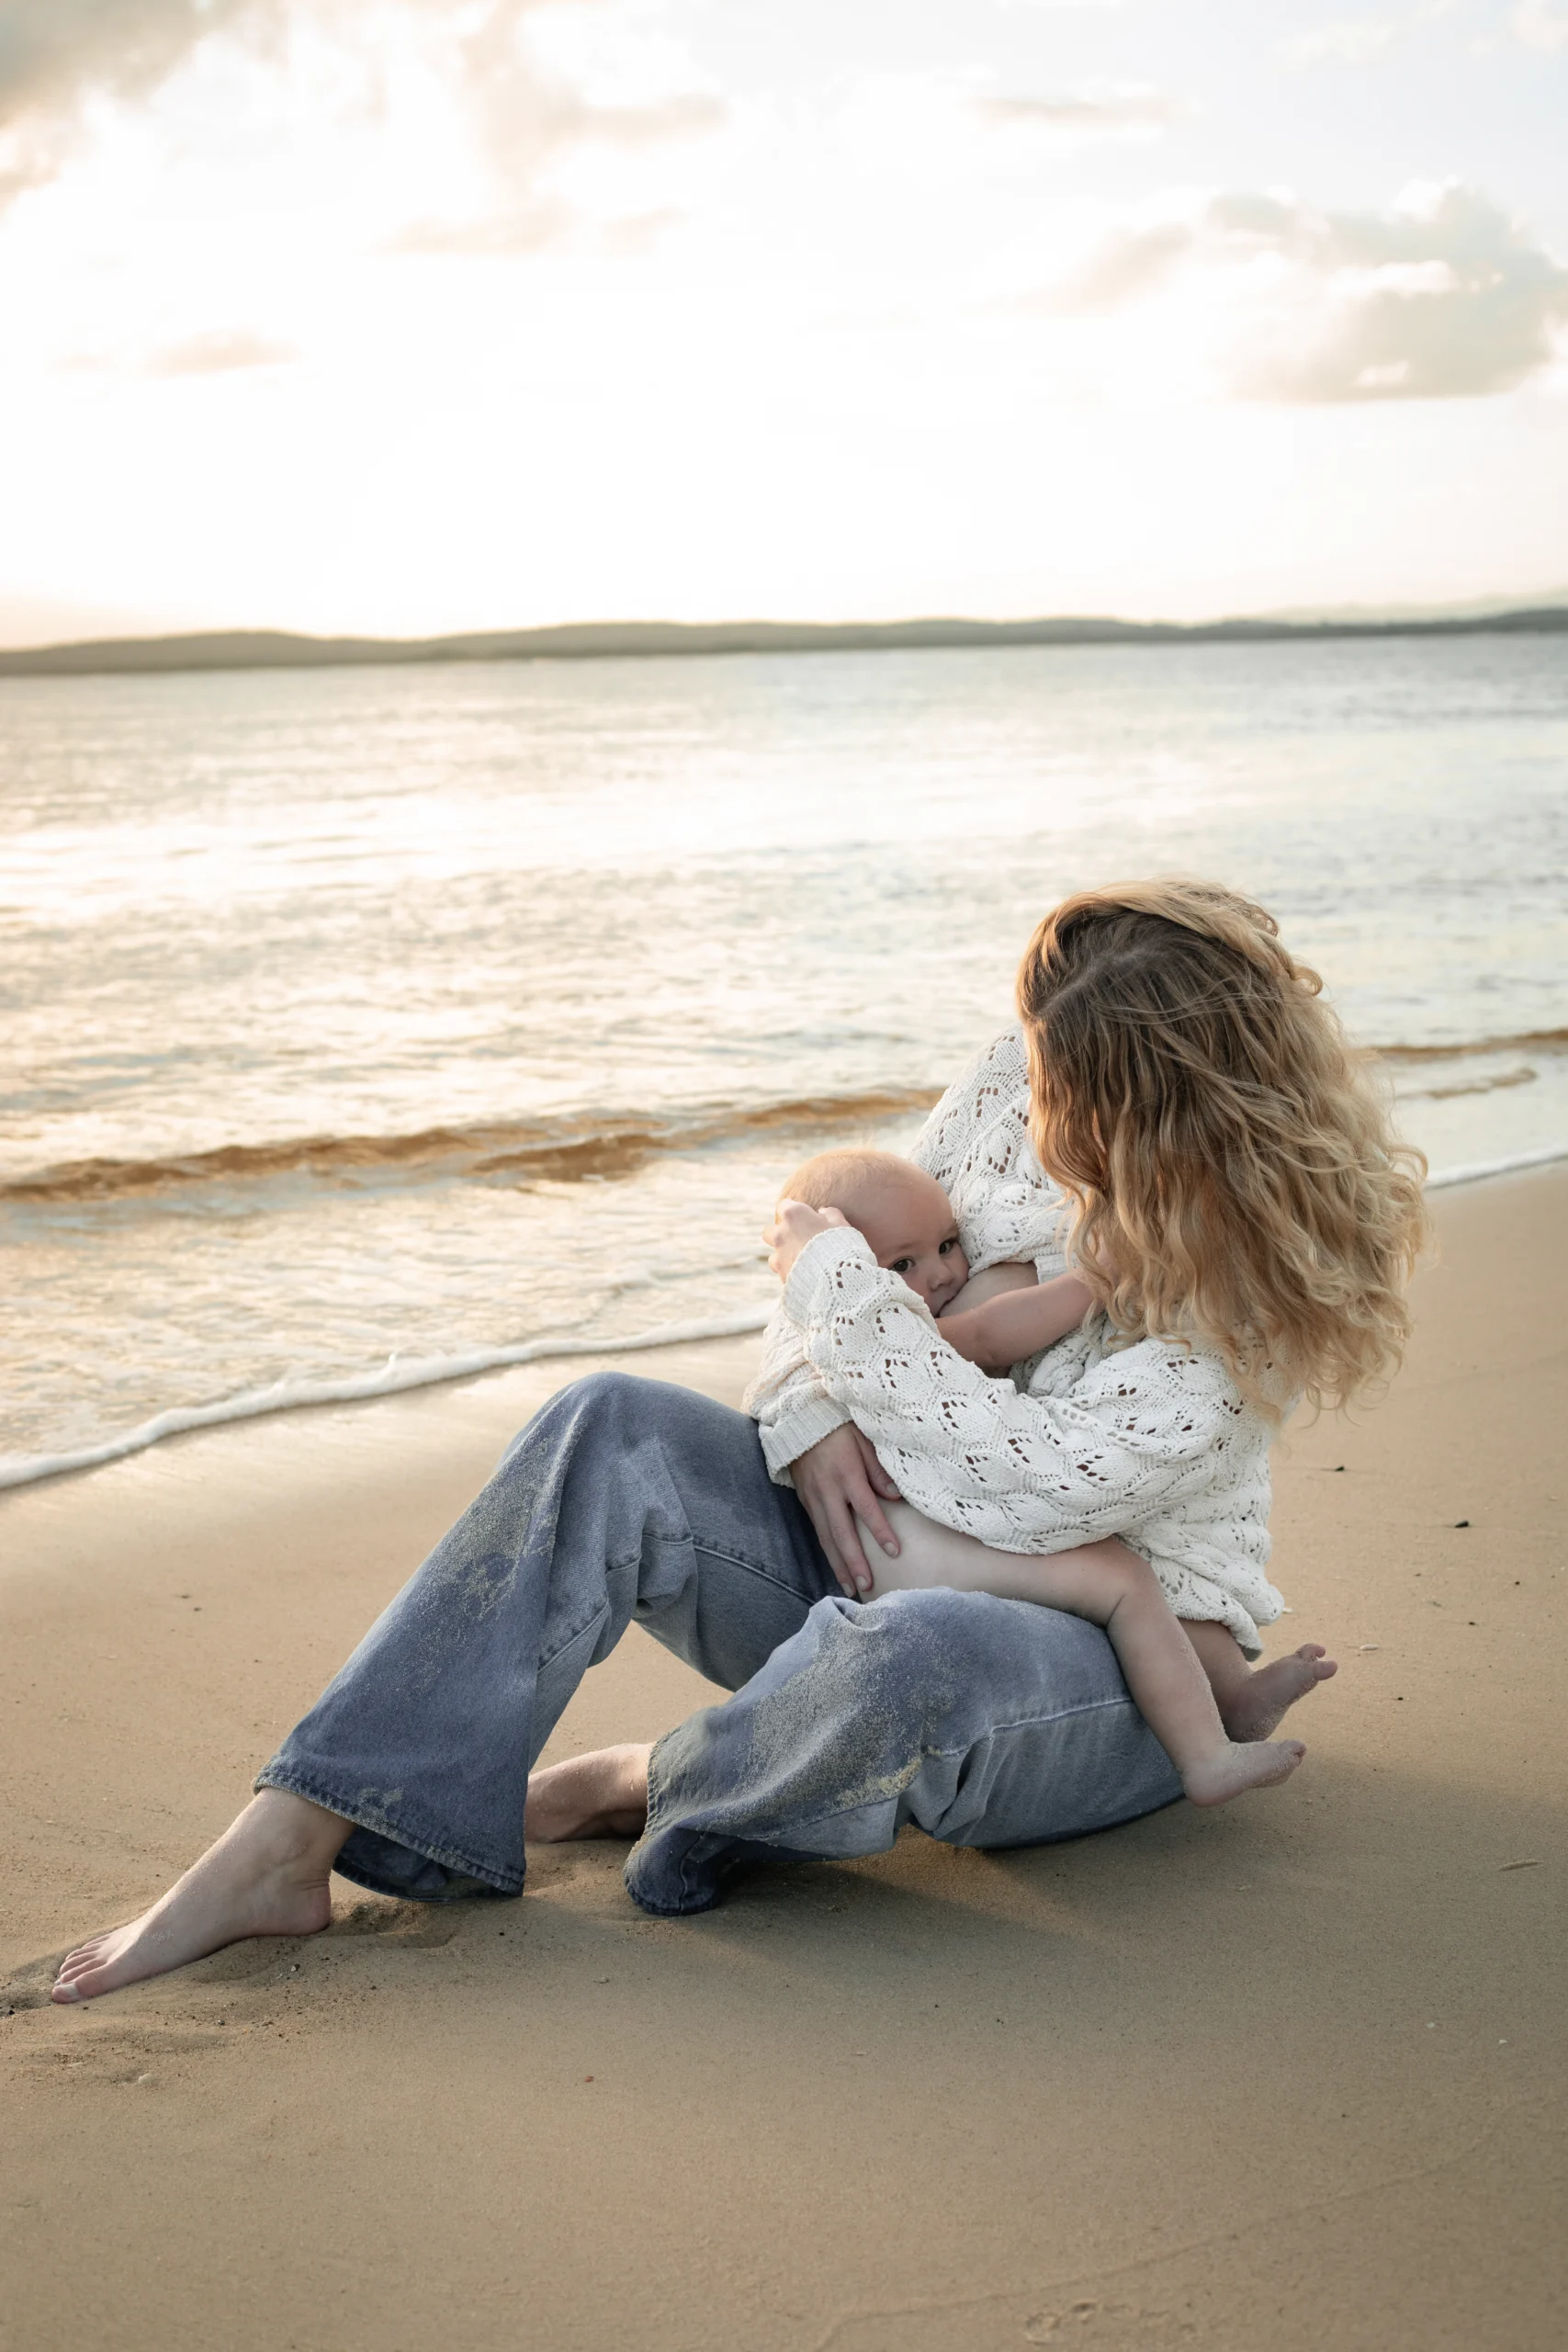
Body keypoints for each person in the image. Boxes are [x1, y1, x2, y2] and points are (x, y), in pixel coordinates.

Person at [51, 879, 1427, 2006]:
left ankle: (653, 1778)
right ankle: (284, 1841)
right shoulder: (1017, 1080)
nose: (1035, 1114)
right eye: (1033, 1063)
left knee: (906, 1653)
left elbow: (1016, 1486)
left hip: (1107, 1667)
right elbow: (846, 1242)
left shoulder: (1248, 1304)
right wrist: (808, 1408)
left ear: (1168, 1116)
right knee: (608, 1426)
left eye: (1074, 1099)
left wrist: (833, 1309)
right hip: (881, 1537)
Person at [751, 1147, 1325, 1804]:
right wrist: (1091, 1283)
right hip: (904, 1530)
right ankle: (1205, 1757)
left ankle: (1233, 1698)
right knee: (1125, 1583)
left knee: (1162, 1575)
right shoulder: (883, 1326)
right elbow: (990, 1337)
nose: (941, 1273)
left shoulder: (878, 1316)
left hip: (936, 1515)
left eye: (947, 1244)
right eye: (903, 1264)